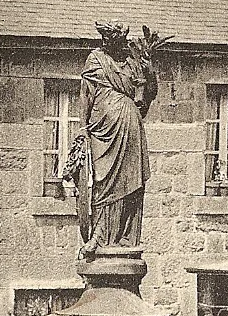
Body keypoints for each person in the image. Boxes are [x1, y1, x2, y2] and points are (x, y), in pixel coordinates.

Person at [65, 21, 165, 255]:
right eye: (112, 41)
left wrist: (148, 67)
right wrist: (83, 127)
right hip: (102, 130)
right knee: (102, 184)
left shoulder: (133, 60)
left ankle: (126, 238)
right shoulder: (95, 60)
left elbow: (148, 93)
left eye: (120, 41)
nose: (117, 45)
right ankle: (99, 238)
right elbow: (85, 94)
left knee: (129, 185)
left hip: (129, 129)